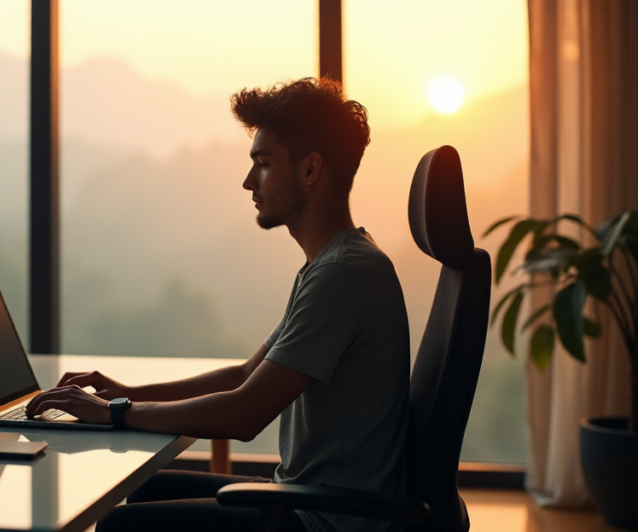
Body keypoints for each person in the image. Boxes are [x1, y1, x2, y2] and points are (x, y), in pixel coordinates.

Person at [26, 77, 410, 532]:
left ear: (310, 170)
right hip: (309, 497)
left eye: (263, 164)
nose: (249, 181)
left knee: (120, 528)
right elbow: (246, 376)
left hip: (328, 520)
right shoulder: (331, 264)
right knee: (146, 488)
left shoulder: (342, 275)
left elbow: (245, 413)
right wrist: (124, 393)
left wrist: (113, 414)